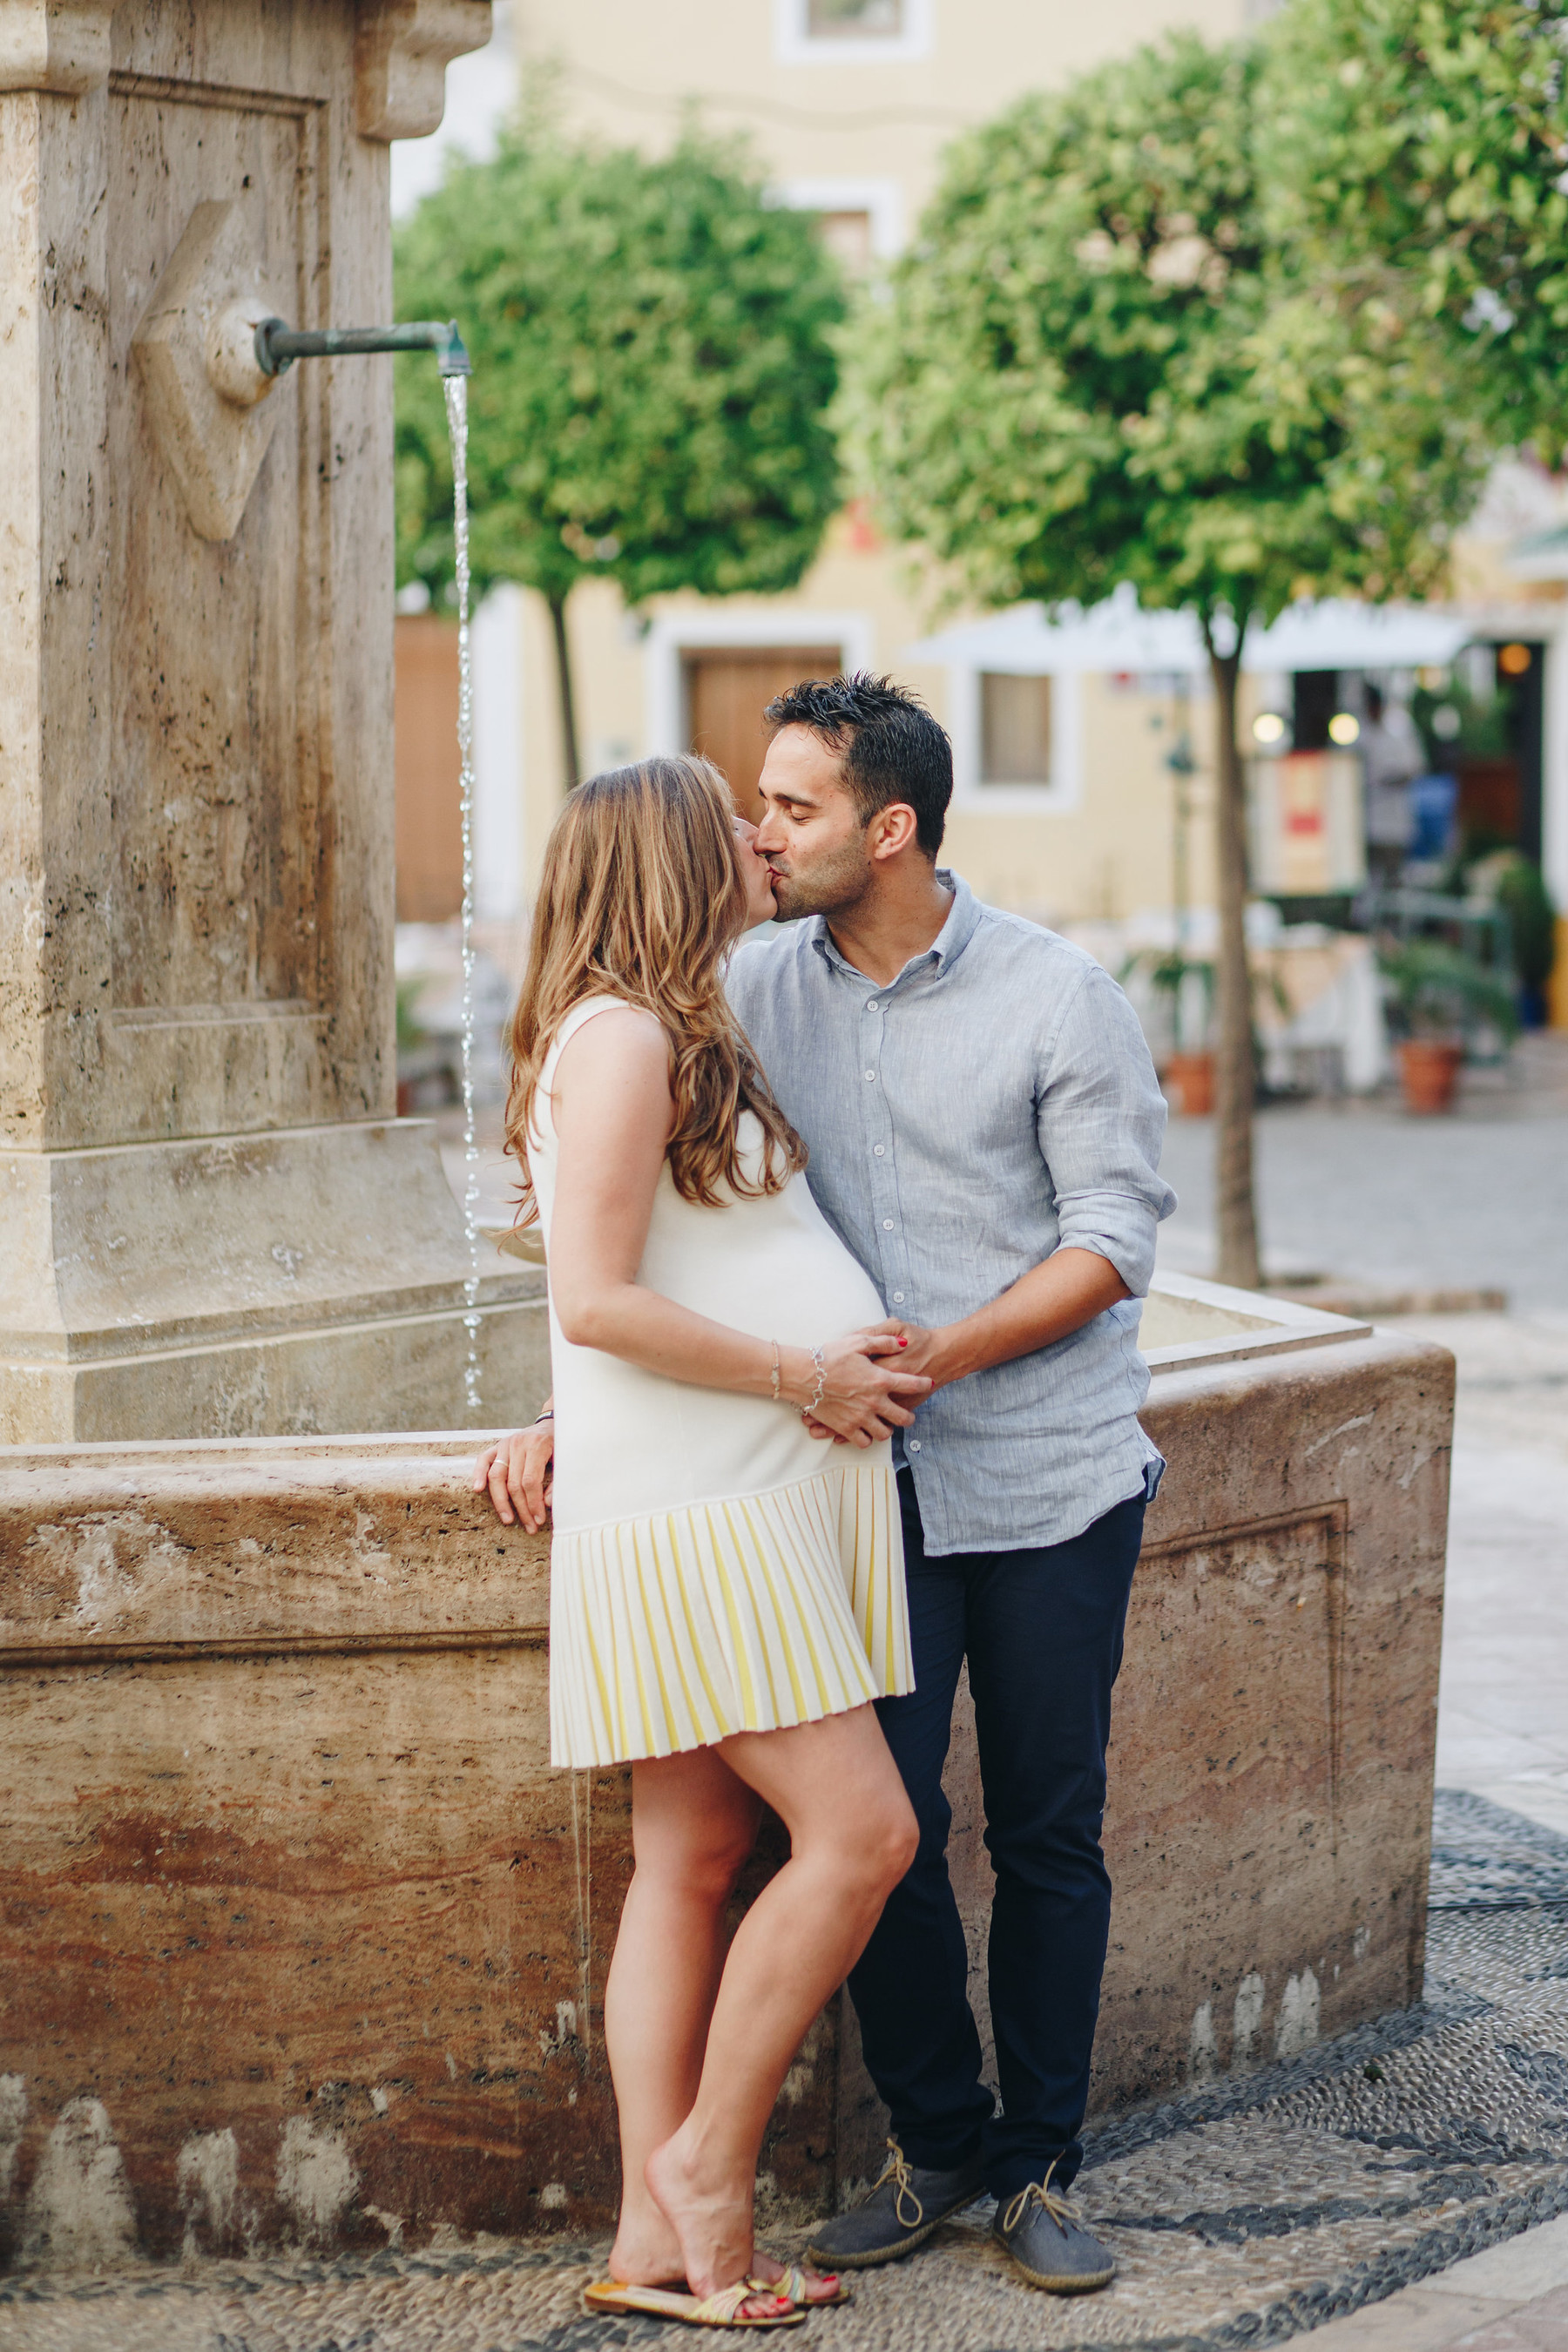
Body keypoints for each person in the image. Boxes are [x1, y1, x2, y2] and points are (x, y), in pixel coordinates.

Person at [729, 675, 1175, 2297]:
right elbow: (666, 1213)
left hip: (1056, 1481)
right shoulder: (749, 991)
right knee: (877, 1834)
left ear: (888, 827)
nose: (761, 832)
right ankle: (940, 2147)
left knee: (1053, 1833)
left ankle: (1044, 2166)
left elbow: (1110, 1239)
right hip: (865, 1494)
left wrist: (950, 1360)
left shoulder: (1061, 996)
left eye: (793, 807)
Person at [474, 754, 928, 2332]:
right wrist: (811, 1375)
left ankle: (646, 2240)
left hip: (717, 1491)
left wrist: (562, 1407)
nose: (760, 835)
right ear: (672, 860)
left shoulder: (660, 1030)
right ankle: (710, 2174)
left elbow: (632, 1282)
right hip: (702, 1519)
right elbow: (596, 1295)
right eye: (732, 820)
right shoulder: (618, 1040)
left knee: (693, 1861)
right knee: (866, 1837)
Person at [1361, 683, 1421, 890]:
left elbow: (1414, 768)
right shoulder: (1361, 733)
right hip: (1366, 824)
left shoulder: (1400, 729)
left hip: (1394, 823)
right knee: (1369, 880)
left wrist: (1388, 780)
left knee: (1395, 879)